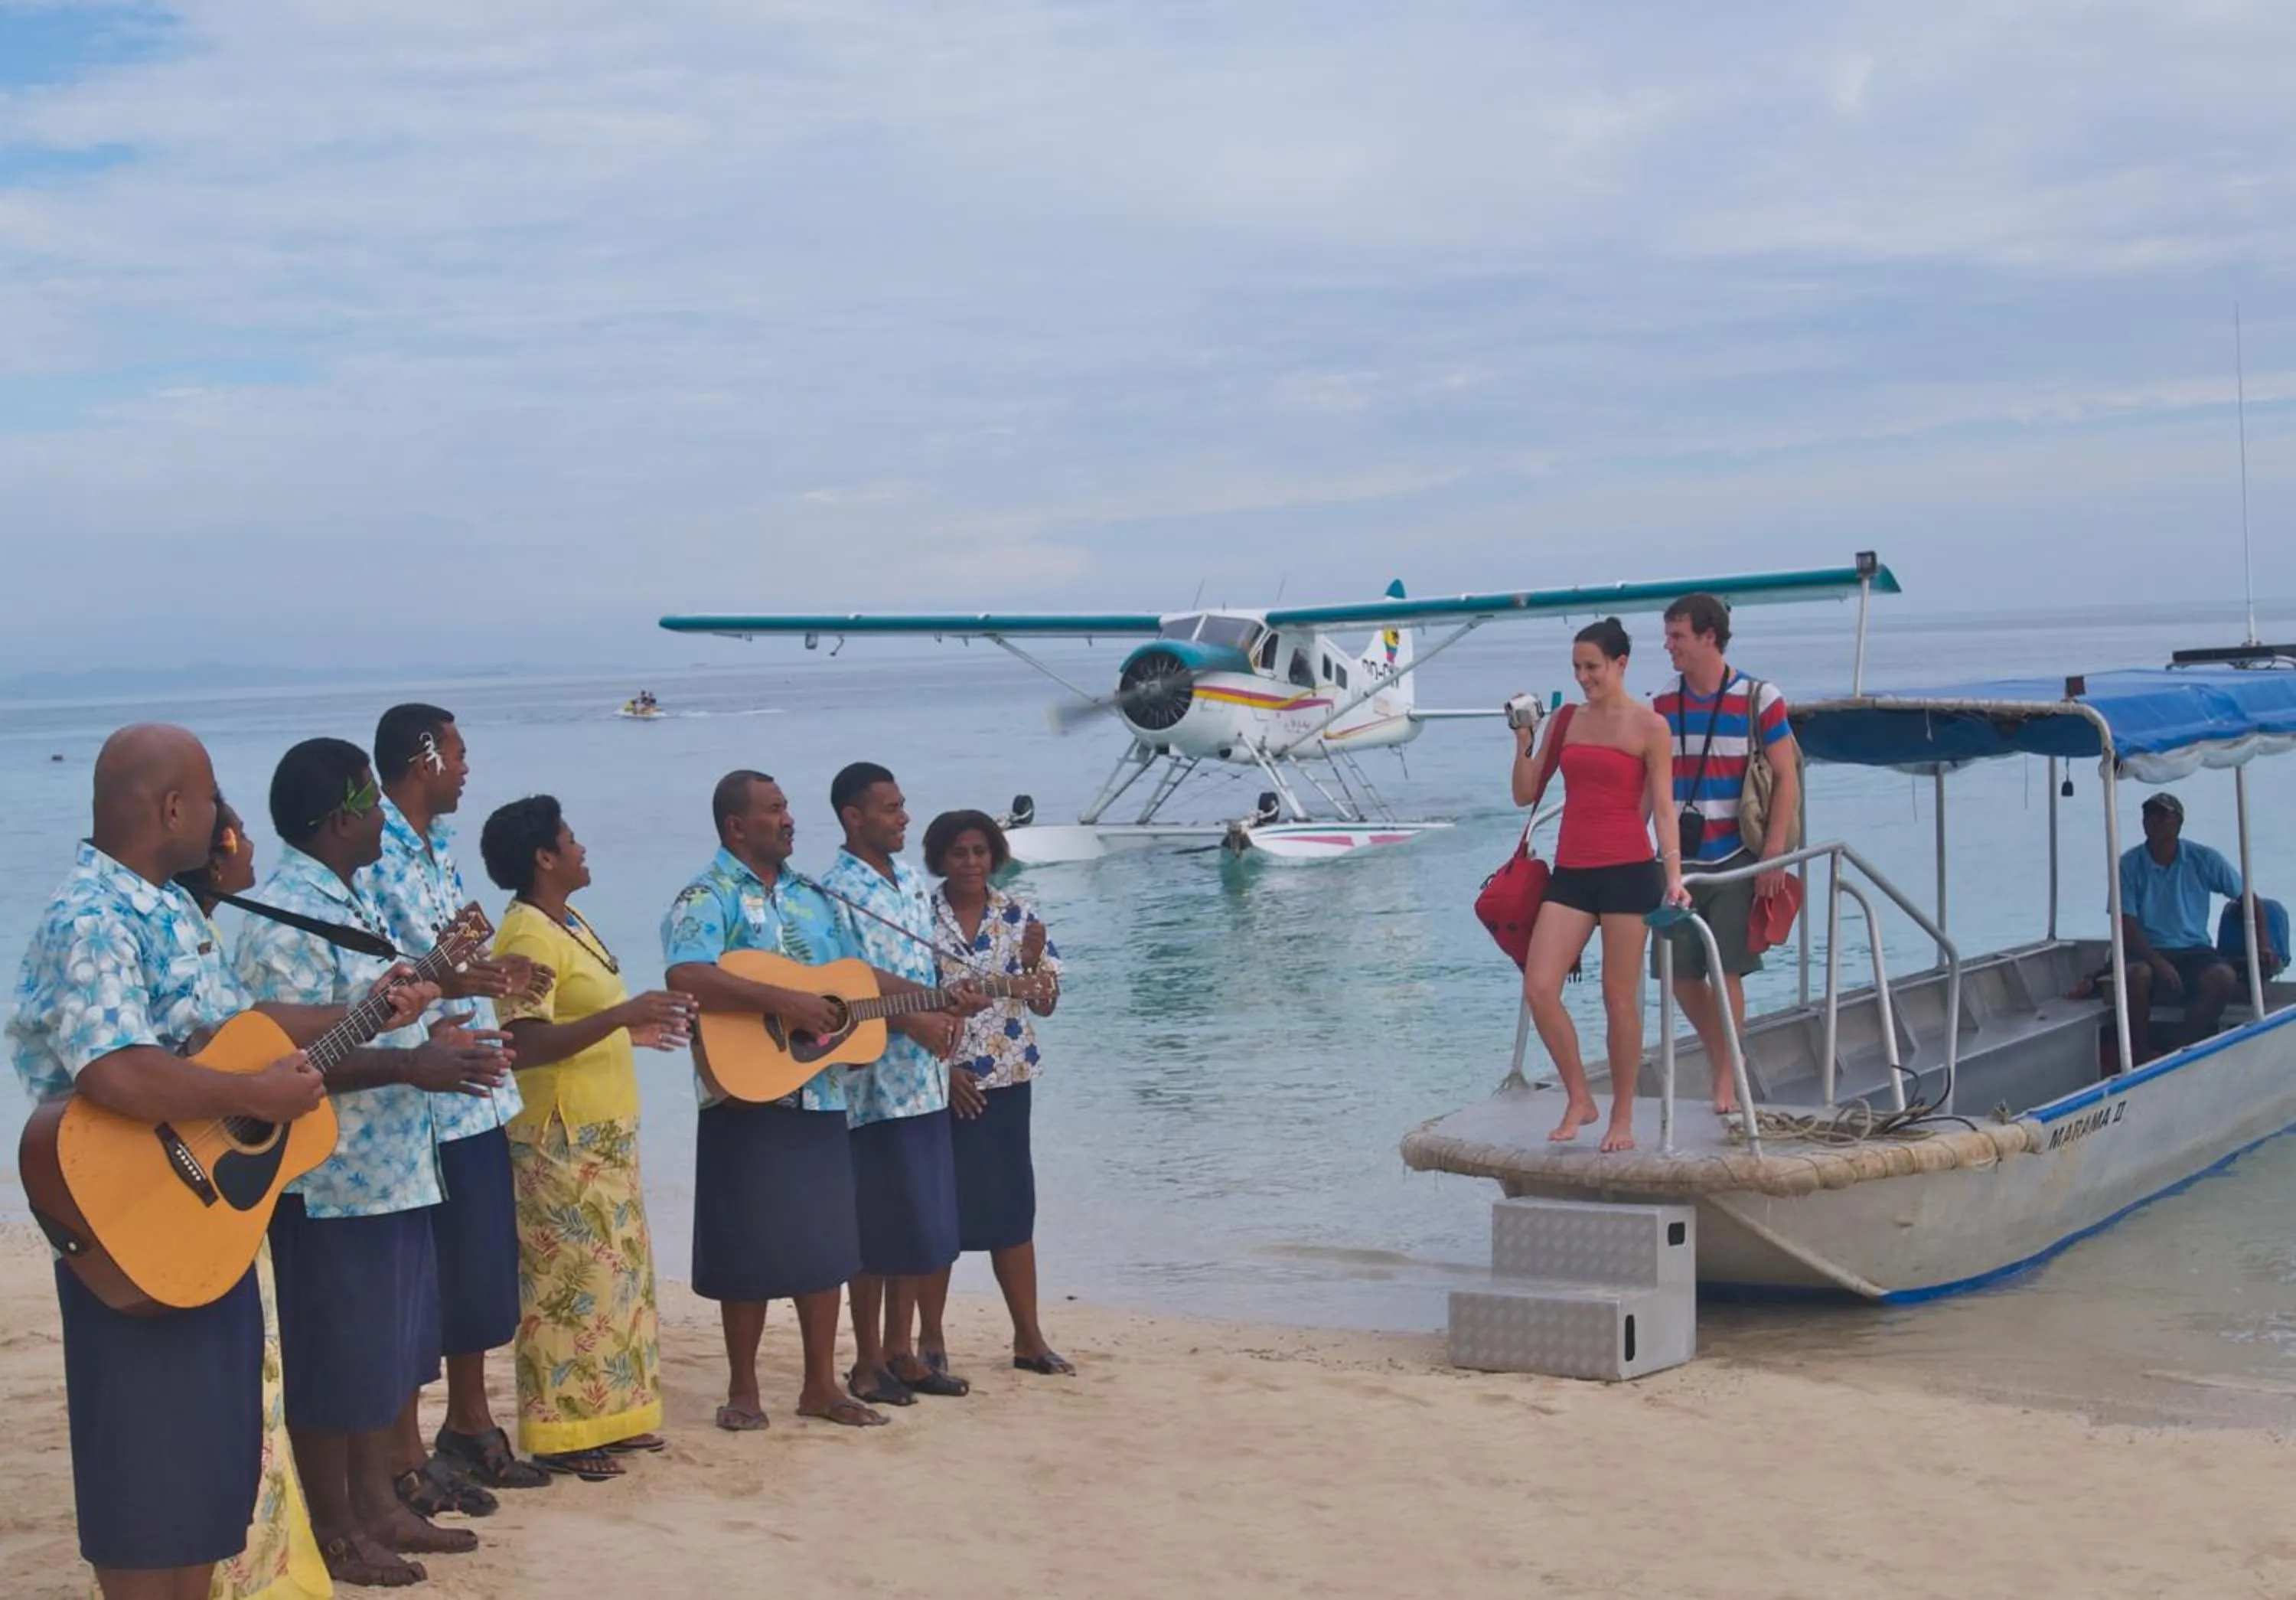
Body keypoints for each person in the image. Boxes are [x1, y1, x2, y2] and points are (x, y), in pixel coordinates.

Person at [6, 726, 430, 1600]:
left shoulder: (163, 907)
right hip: (129, 1218)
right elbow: (113, 1068)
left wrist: (369, 1007)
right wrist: (255, 1098)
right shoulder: (93, 916)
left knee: (203, 1466)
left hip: (204, 1222)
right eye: (207, 798)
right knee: (142, 1470)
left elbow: (242, 1032)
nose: (220, 817)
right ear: (170, 809)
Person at [236, 738, 516, 1590]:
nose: (378, 819)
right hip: (332, 1180)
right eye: (366, 803)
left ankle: (378, 1502)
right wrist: (409, 1064)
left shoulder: (350, 901)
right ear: (339, 817)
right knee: (336, 1360)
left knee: (384, 1354)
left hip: (395, 1166)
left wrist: (430, 1036)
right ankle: (337, 1525)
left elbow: (367, 1021)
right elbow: (291, 1056)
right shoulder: (279, 912)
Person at [660, 770, 902, 1431]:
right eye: (774, 810)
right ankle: (743, 1389)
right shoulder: (706, 895)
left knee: (825, 1242)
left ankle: (821, 1385)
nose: (789, 818)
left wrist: (926, 998)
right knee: (746, 1243)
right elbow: (687, 973)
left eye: (788, 806)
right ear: (737, 827)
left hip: (818, 1092)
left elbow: (849, 980)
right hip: (744, 1089)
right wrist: (784, 1002)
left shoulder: (812, 897)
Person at [362, 704, 553, 1511]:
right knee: (422, 1282)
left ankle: (469, 1424)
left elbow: (454, 955)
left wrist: (495, 971)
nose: (468, 767)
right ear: (425, 755)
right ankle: (406, 1452)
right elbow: (391, 969)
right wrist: (456, 976)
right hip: (422, 1098)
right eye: (460, 752)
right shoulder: (374, 851)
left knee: (477, 1272)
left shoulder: (439, 848)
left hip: (476, 1088)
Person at [483, 795, 694, 1478]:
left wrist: (630, 1030)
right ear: (544, 857)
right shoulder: (528, 933)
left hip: (603, 1127)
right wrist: (620, 1017)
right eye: (570, 840)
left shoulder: (565, 921)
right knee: (566, 1288)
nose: (582, 849)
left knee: (616, 1284)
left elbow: (586, 1016)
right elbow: (522, 1039)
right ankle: (564, 1432)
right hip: (559, 1135)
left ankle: (615, 1415)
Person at [173, 802, 333, 1600]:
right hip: (186, 1197)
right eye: (236, 834)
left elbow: (256, 1032)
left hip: (231, 1202)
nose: (252, 849)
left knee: (254, 1387)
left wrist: (370, 1009)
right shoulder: (165, 927)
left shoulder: (201, 935)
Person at [820, 762, 983, 1406]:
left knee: (919, 1221)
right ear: (852, 817)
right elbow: (846, 973)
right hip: (870, 1082)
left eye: (902, 805)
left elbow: (924, 961)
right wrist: (917, 1009)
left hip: (925, 1074)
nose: (903, 817)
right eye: (889, 809)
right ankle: (865, 1362)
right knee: (875, 1227)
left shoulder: (911, 880)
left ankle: (902, 1351)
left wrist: (947, 1007)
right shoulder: (834, 889)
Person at [1513, 620, 1689, 1153]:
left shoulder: (1650, 727)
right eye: (1577, 668)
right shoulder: (1567, 719)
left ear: (1620, 664)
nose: (1584, 677)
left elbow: (1663, 807)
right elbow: (1525, 793)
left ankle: (1622, 1116)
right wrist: (1524, 739)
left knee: (1619, 1000)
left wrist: (1675, 877)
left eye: (1592, 667)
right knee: (1540, 987)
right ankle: (1579, 1097)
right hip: (1572, 873)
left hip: (1629, 873)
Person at [924, 810, 1071, 1375]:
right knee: (939, 1214)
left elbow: (1046, 1002)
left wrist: (1034, 962)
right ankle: (930, 1342)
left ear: (995, 857)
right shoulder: (916, 915)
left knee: (1012, 1213)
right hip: (939, 1085)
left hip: (1006, 1084)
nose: (970, 862)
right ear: (940, 858)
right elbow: (904, 1001)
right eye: (958, 852)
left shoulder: (1019, 916)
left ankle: (1029, 1339)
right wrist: (945, 1074)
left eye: (980, 852)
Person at [1652, 592, 1801, 1115]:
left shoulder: (1760, 698)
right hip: (1679, 860)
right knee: (1678, 973)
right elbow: (1650, 779)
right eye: (1668, 636)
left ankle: (1725, 1077)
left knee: (1728, 970)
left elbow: (1786, 776)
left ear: (1708, 637)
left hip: (1737, 853)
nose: (1669, 647)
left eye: (1678, 637)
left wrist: (1774, 856)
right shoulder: (1664, 702)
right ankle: (1726, 1057)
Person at [2117, 792, 2275, 1061]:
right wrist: (2158, 963)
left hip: (2193, 949)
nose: (2153, 821)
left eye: (2161, 816)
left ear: (2177, 822)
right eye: (2148, 816)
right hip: (2147, 949)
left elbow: (2249, 900)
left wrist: (2263, 944)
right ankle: (2138, 1055)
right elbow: (2126, 926)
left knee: (2223, 978)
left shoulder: (2202, 858)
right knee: (2137, 976)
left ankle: (2179, 1050)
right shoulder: (2129, 865)